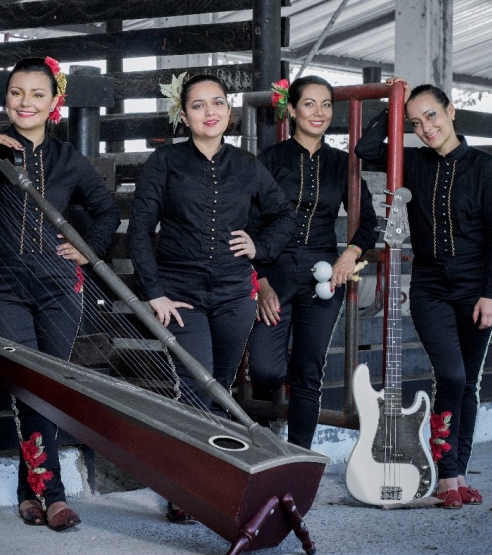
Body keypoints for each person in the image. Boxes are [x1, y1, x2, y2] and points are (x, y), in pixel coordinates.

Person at [0, 57, 120, 531]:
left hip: (59, 286)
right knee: (28, 384)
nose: (25, 102)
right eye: (17, 92)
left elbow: (106, 212)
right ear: (6, 98)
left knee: (45, 390)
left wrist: (86, 247)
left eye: (37, 94)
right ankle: (53, 496)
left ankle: (27, 491)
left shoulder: (67, 158)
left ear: (54, 101)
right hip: (2, 285)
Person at [127, 74, 295, 520]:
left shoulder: (247, 165)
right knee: (196, 389)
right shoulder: (164, 162)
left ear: (229, 112)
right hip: (180, 295)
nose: (210, 111)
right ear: (185, 116)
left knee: (219, 390)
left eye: (217, 103)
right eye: (199, 105)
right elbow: (141, 231)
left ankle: (214, 483)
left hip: (234, 295)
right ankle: (184, 489)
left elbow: (282, 214)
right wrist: (155, 293)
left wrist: (260, 248)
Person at [355, 78, 492, 509]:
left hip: (477, 288)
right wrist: (393, 105)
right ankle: (446, 473)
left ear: (451, 112)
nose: (426, 127)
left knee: (468, 385)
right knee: (453, 376)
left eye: (432, 116)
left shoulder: (484, 166)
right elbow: (366, 151)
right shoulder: (414, 163)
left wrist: (491, 292)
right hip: (429, 287)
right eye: (416, 122)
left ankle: (455, 475)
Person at [246, 76, 379, 450]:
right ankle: (262, 426)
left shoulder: (343, 163)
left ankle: (299, 458)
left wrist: (350, 252)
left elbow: (367, 219)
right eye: (309, 104)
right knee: (265, 370)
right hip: (274, 269)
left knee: (309, 371)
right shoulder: (269, 160)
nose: (318, 112)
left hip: (323, 276)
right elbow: (250, 221)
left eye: (326, 105)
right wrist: (262, 283)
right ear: (291, 109)